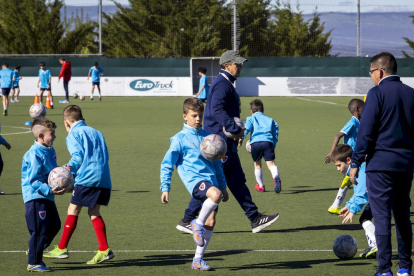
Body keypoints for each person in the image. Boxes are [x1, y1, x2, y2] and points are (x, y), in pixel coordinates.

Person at [176, 50, 279, 235]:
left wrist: (236, 136)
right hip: (218, 144)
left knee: (236, 180)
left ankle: (255, 218)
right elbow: (216, 110)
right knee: (212, 182)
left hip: (225, 142)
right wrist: (234, 129)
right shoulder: (222, 84)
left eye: (240, 63)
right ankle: (187, 219)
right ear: (226, 65)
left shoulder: (227, 83)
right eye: (237, 63)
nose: (240, 66)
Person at [350, 52, 414, 276]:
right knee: (403, 216)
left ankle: (385, 270)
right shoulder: (411, 94)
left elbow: (365, 131)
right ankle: (405, 268)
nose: (371, 77)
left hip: (379, 166)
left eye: (371, 73)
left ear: (380, 71)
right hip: (405, 165)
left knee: (383, 217)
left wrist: (356, 161)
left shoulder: (376, 93)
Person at [160, 97, 229, 271]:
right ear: (185, 116)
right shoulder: (179, 139)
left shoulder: (209, 138)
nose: (198, 119)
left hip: (211, 183)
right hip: (196, 182)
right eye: (194, 115)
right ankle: (196, 223)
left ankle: (197, 260)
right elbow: (167, 164)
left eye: (200, 115)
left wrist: (222, 185)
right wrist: (165, 187)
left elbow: (216, 164)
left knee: (211, 222)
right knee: (213, 198)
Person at [43, 105, 114, 264]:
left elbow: (78, 156)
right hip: (104, 178)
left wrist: (68, 171)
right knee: (94, 212)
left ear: (66, 123)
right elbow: (105, 155)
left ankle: (62, 248)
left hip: (88, 178)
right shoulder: (97, 132)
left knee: (73, 209)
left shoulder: (74, 134)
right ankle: (104, 250)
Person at [22, 117, 65, 272]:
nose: (54, 137)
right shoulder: (33, 154)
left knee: (55, 225)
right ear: (41, 135)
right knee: (39, 230)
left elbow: (53, 173)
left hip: (47, 196)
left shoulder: (50, 150)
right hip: (35, 197)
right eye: (51, 134)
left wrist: (64, 177)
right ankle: (33, 262)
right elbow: (33, 180)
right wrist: (49, 189)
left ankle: (34, 250)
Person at [331, 144, 377, 259]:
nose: (338, 169)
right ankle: (376, 246)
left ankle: (377, 245)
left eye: (339, 165)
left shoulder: (360, 169)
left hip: (384, 194)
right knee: (366, 218)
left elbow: (362, 193)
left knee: (368, 218)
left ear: (348, 160)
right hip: (379, 194)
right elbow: (358, 193)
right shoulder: (355, 169)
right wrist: (349, 206)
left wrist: (353, 209)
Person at [324, 99, 364, 215]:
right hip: (350, 157)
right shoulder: (352, 122)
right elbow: (338, 136)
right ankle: (338, 206)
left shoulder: (359, 122)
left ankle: (335, 206)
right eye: (363, 108)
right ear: (357, 109)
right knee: (356, 180)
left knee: (350, 181)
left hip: (356, 157)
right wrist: (332, 153)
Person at [243, 99, 280, 193]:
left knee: (257, 164)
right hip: (268, 143)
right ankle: (276, 177)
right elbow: (275, 131)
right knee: (271, 164)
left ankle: (261, 186)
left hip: (255, 143)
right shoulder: (270, 120)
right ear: (263, 110)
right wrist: (273, 144)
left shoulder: (251, 118)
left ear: (252, 111)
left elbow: (246, 128)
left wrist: (241, 138)